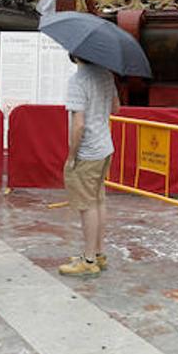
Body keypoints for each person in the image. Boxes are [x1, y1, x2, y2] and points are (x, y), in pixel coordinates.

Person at [59, 55, 119, 277]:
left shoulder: (78, 81)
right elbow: (116, 108)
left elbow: (79, 124)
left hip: (87, 152)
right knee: (98, 200)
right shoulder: (107, 75)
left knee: (87, 206)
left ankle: (88, 259)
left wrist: (72, 156)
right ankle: (98, 253)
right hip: (105, 147)